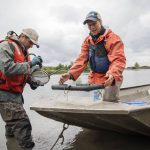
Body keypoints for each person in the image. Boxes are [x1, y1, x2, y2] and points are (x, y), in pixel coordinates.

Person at [59, 11, 126, 102]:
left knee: (109, 103)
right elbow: (81, 59)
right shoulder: (87, 40)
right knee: (96, 103)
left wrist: (112, 74)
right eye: (89, 25)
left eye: (94, 24)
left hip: (110, 78)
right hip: (94, 78)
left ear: (100, 22)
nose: (92, 27)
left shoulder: (113, 39)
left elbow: (118, 60)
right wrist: (70, 74)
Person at [0, 28, 43, 148]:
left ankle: (11, 145)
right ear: (22, 36)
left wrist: (33, 82)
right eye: (31, 43)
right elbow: (7, 69)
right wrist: (30, 64)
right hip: (4, 96)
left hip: (16, 98)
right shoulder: (5, 46)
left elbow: (25, 74)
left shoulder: (25, 53)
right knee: (22, 125)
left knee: (11, 129)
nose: (31, 46)